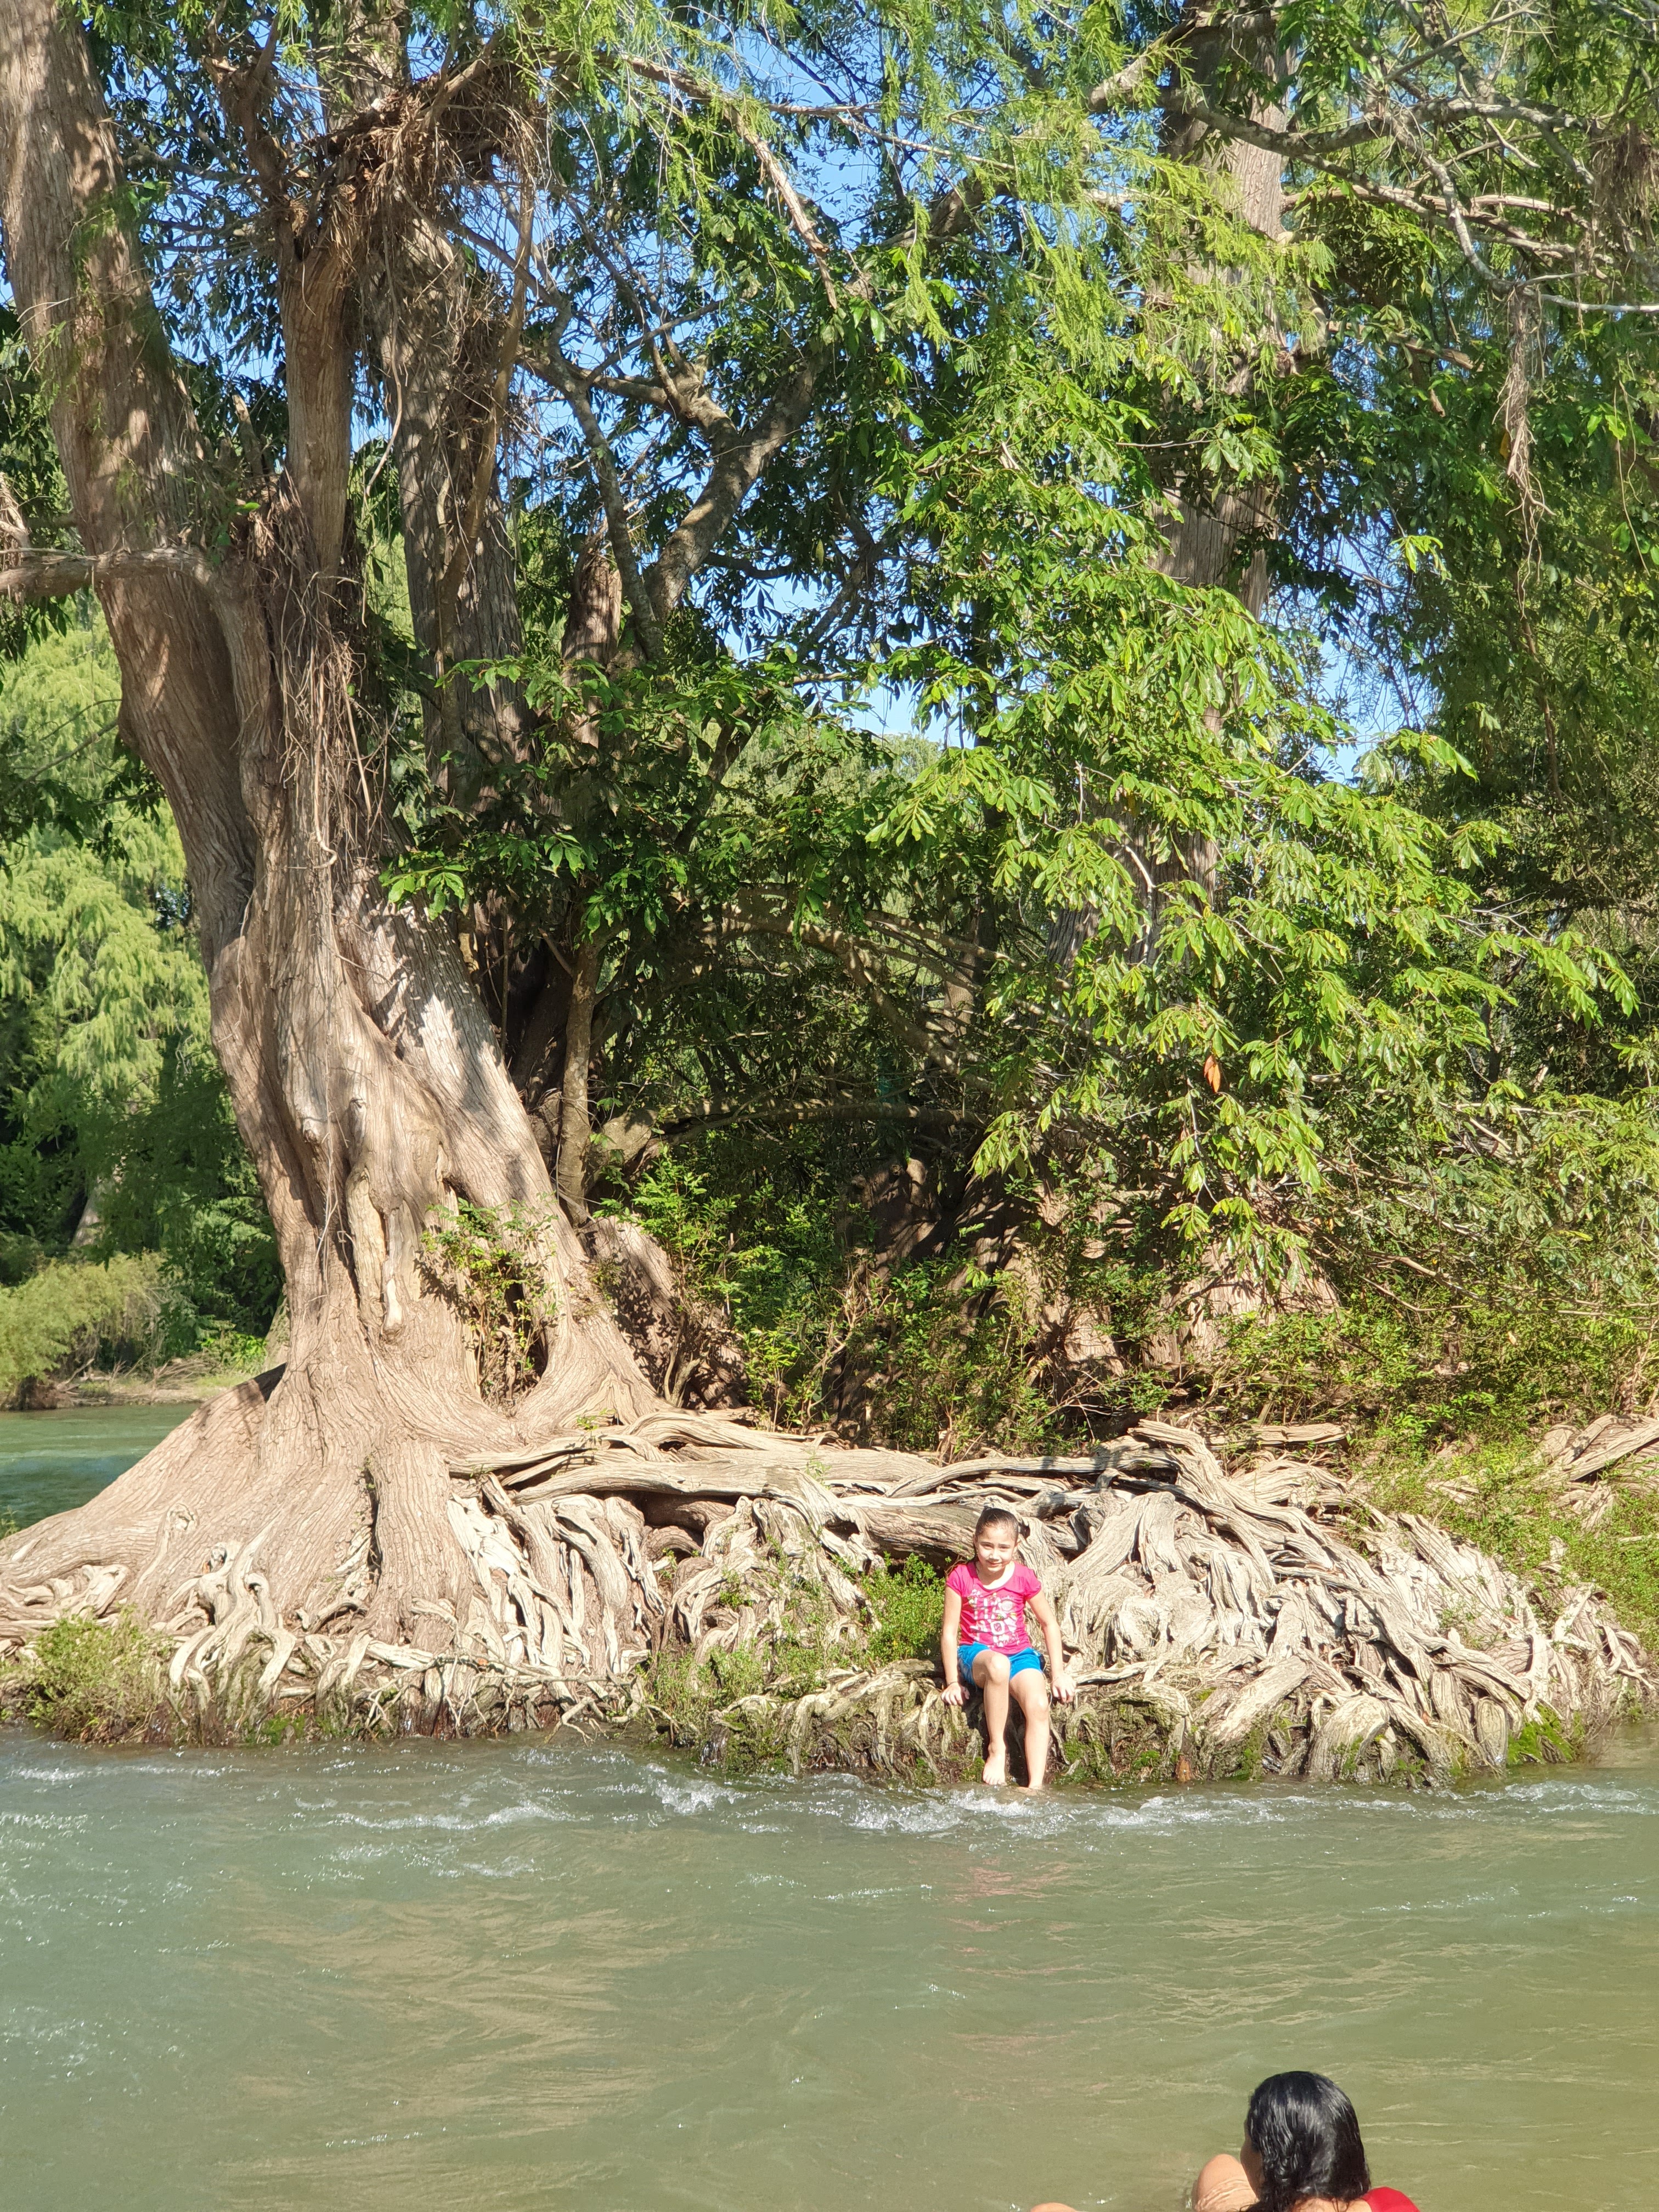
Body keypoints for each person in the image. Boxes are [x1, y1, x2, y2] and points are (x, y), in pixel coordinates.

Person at [1029, 2070, 1420, 2212]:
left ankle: (1162, 2182)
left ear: (1268, 2163)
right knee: (1219, 2168)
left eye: (1249, 2141)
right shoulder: (1393, 2203)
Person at [941, 1504, 1073, 1789]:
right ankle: (996, 1749)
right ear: (975, 1540)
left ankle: (1035, 1787)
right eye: (987, 1545)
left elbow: (1049, 1624)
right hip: (977, 1656)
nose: (994, 1554)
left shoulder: (1023, 1577)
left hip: (1020, 1654)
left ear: (1015, 1546)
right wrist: (952, 1681)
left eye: (1003, 1547)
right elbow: (950, 1633)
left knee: (1038, 1704)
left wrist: (1059, 1674)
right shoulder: (961, 1577)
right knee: (998, 1664)